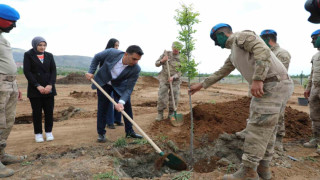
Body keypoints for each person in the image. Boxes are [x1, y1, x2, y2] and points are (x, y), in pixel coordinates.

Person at [189, 23, 293, 180]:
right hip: (277, 85)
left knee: (257, 126)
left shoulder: (241, 37)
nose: (216, 44)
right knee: (268, 128)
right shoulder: (234, 53)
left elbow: (262, 50)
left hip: (271, 84)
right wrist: (202, 85)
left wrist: (258, 79)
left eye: (215, 39)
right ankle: (263, 169)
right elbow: (222, 71)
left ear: (222, 34)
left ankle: (248, 172)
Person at [237, 29, 292, 152]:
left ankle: (277, 141)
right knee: (256, 112)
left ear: (268, 39)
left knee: (278, 115)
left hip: (275, 90)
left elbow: (278, 75)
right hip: (261, 88)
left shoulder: (282, 53)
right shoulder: (260, 51)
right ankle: (251, 134)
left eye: (262, 39)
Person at [85, 45, 144, 142]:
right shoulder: (112, 52)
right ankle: (101, 134)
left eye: (138, 60)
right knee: (103, 107)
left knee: (127, 106)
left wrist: (121, 102)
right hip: (103, 82)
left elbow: (129, 88)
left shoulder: (136, 69)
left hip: (119, 85)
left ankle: (129, 132)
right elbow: (96, 57)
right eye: (134, 59)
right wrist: (91, 71)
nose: (136, 62)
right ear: (126, 54)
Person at [0, 4, 26, 178]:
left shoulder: (3, 38)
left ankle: (1, 155)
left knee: (8, 121)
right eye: (11, 22)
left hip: (9, 84)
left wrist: (15, 85)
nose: (13, 26)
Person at [23, 36, 57, 143]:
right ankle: (38, 134)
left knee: (49, 111)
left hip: (49, 89)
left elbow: (53, 71)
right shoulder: (28, 55)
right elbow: (27, 72)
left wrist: (50, 85)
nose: (42, 47)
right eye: (40, 45)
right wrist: (37, 85)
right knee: (37, 112)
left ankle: (48, 132)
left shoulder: (49, 56)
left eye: (44, 45)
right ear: (35, 45)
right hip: (35, 89)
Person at [155, 41, 182, 121]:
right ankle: (160, 114)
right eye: (174, 48)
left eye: (177, 49)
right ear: (172, 47)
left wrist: (174, 77)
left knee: (174, 97)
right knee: (162, 96)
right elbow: (156, 64)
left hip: (175, 81)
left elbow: (182, 71)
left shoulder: (182, 57)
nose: (175, 50)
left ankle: (171, 114)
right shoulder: (166, 54)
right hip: (164, 78)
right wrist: (162, 60)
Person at [304, 29, 320, 154]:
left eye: (314, 39)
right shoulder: (315, 56)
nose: (312, 42)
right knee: (315, 115)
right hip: (315, 88)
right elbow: (312, 74)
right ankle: (317, 139)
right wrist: (308, 88)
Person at [103, 38, 123, 129]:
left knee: (119, 101)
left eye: (118, 46)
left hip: (117, 82)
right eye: (115, 45)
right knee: (110, 102)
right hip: (107, 82)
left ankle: (117, 120)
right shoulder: (105, 55)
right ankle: (110, 122)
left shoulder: (119, 56)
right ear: (110, 46)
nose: (117, 48)